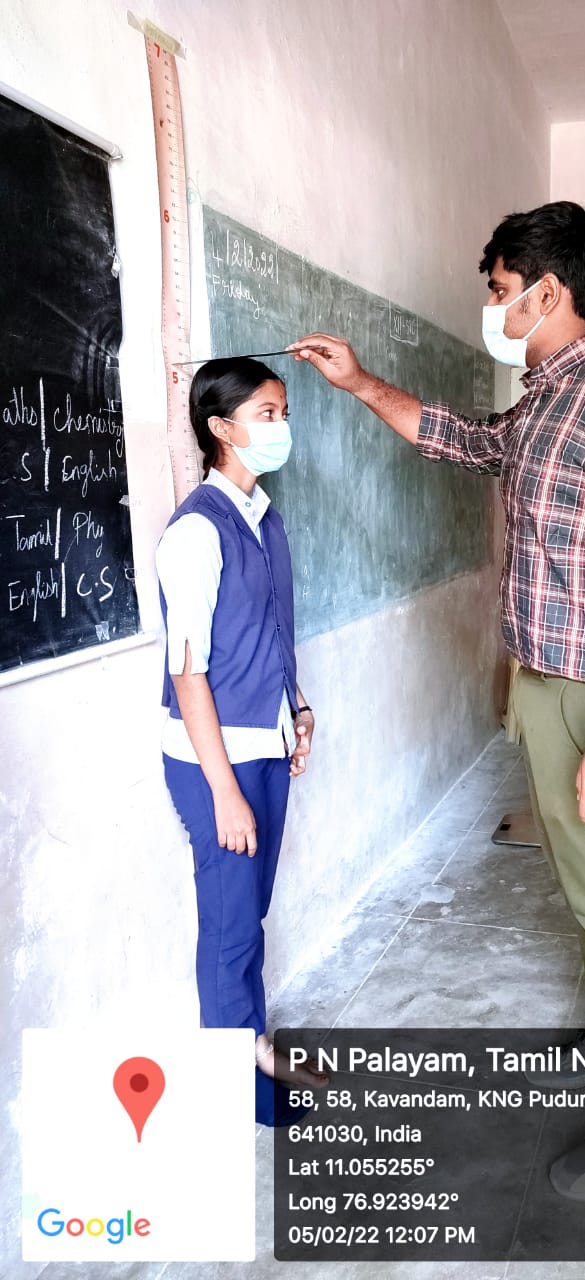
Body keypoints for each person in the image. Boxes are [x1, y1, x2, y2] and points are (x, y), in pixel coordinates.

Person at [290, 201, 585, 1200]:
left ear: (549, 291)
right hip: (551, 687)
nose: (495, 307)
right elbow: (464, 440)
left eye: (502, 290)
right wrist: (359, 383)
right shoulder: (547, 400)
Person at [157, 357, 327, 1126]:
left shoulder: (268, 519)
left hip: (266, 746)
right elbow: (188, 672)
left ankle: (252, 1065)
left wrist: (298, 707)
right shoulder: (196, 530)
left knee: (248, 918)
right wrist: (224, 790)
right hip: (212, 762)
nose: (281, 426)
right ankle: (237, 1093)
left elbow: (271, 633)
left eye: (283, 411)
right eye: (266, 414)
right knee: (229, 932)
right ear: (222, 428)